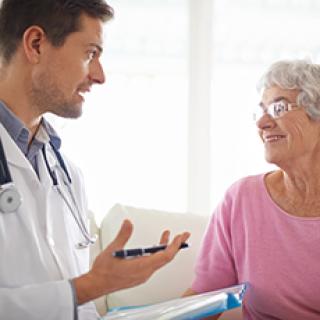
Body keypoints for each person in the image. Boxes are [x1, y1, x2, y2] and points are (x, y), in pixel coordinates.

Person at [0, 1, 190, 320]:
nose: (99, 76)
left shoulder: (67, 174)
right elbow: (78, 292)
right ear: (36, 44)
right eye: (90, 54)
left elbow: (80, 308)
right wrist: (89, 286)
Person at [184, 59, 320, 319]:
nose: (263, 123)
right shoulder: (242, 199)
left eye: (279, 107)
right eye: (261, 111)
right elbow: (206, 300)